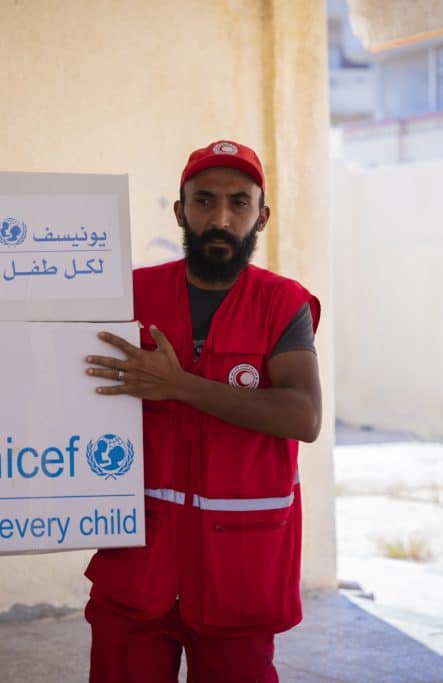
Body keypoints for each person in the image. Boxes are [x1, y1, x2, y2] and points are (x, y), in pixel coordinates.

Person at [83, 139, 322, 682]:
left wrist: (180, 385)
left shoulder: (283, 304)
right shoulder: (130, 296)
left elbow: (303, 416)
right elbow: (59, 397)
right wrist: (6, 524)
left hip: (239, 574)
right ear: (179, 210)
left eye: (238, 203)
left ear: (260, 216)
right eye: (204, 200)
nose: (220, 217)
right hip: (136, 566)